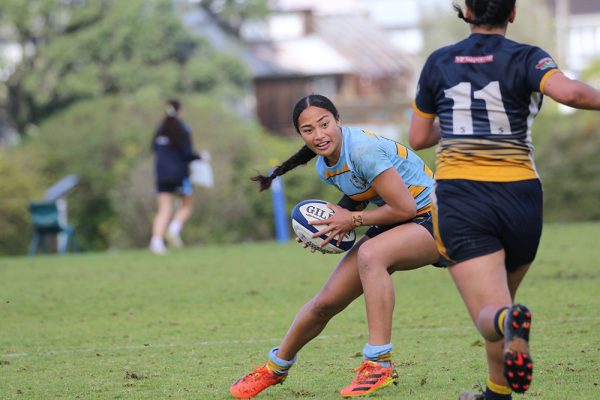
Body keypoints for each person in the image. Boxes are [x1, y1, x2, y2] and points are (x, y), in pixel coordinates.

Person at [408, 1, 600, 399]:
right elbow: (571, 92)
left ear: (467, 10)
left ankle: (507, 326)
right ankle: (497, 393)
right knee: (502, 301)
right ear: (511, 13)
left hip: (463, 199)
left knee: (491, 315)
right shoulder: (529, 57)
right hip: (521, 198)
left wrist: (461, 121)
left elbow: (419, 138)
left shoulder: (439, 62)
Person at [230, 94, 443, 399]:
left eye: (324, 124)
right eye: (308, 130)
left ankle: (378, 364)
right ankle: (274, 368)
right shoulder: (324, 167)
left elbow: (405, 208)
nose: (318, 135)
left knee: (372, 254)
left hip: (438, 218)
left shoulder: (363, 150)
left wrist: (350, 220)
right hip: (400, 218)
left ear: (338, 120)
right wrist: (325, 229)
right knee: (326, 301)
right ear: (300, 134)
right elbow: (360, 198)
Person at [149, 99, 202, 255]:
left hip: (161, 174)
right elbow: (187, 154)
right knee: (186, 205)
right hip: (179, 174)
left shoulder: (159, 129)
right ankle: (173, 230)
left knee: (164, 208)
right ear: (179, 111)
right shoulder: (183, 128)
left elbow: (154, 149)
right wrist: (201, 157)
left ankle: (156, 242)